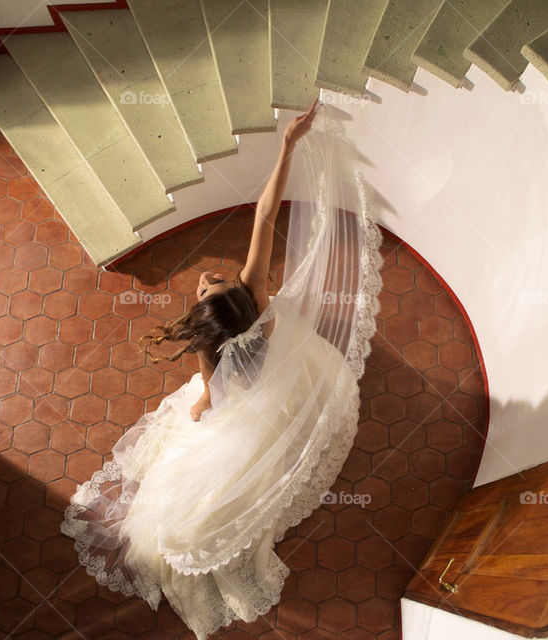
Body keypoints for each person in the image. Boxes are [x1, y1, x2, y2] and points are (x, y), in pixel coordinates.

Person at [60, 97, 383, 639]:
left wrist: (203, 408)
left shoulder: (210, 345)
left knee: (193, 439)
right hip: (283, 384)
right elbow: (265, 214)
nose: (205, 279)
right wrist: (289, 144)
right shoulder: (254, 291)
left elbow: (212, 391)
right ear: (240, 293)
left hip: (250, 398)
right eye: (212, 283)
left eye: (205, 286)